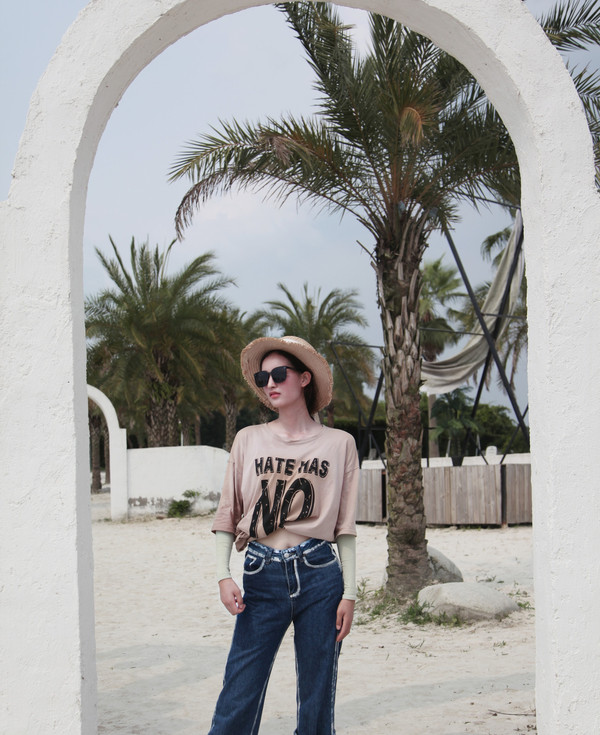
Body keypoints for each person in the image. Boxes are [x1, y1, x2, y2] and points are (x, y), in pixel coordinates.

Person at [208, 335, 359, 735]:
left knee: (317, 693)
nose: (269, 384)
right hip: (261, 573)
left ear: (305, 378)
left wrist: (350, 592)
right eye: (263, 378)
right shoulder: (248, 438)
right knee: (239, 690)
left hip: (320, 573)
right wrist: (223, 574)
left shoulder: (340, 444)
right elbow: (228, 511)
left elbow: (345, 526)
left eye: (279, 374)